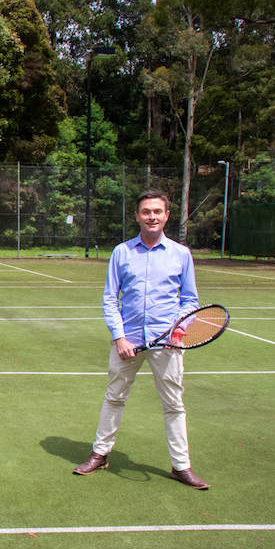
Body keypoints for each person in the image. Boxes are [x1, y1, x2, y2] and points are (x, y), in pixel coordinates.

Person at [73, 190, 208, 488]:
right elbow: (110, 299)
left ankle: (181, 466)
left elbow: (189, 300)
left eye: (157, 211)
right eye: (146, 211)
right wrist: (120, 337)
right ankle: (100, 453)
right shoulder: (122, 252)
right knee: (114, 398)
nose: (152, 216)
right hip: (128, 342)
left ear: (166, 216)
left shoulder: (181, 254)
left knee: (174, 404)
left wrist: (181, 326)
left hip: (168, 343)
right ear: (137, 216)